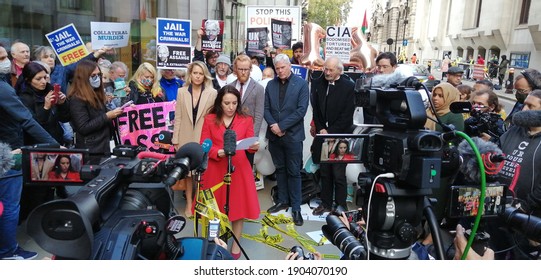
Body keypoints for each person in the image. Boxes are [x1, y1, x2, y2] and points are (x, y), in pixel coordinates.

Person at [198, 85, 260, 259]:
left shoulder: (246, 119)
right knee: (215, 209)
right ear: (220, 103)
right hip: (216, 169)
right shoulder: (210, 119)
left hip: (239, 169)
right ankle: (215, 241)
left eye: (234, 103)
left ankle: (236, 244)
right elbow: (204, 144)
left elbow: (250, 147)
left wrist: (254, 147)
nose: (231, 107)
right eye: (227, 103)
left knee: (238, 208)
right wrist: (217, 152)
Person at [0, 76, 58, 259]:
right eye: (1, 57)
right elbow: (27, 120)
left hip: (8, 152)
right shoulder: (3, 88)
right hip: (8, 156)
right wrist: (55, 146)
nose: (5, 60)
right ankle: (8, 251)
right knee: (9, 206)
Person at [264, 54, 309, 226]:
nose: (280, 71)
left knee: (294, 172)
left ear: (289, 66)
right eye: (278, 68)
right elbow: (266, 109)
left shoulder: (302, 85)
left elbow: (301, 111)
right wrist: (274, 126)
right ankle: (282, 200)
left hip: (293, 136)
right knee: (280, 169)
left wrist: (281, 126)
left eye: (283, 67)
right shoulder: (270, 84)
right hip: (275, 136)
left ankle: (296, 207)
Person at [310, 56, 355, 215]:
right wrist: (322, 129)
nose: (326, 72)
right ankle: (326, 203)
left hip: (340, 135)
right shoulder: (319, 83)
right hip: (324, 136)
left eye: (330, 70)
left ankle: (341, 205)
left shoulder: (349, 86)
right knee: (325, 171)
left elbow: (347, 116)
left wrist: (331, 131)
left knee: (338, 173)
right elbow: (316, 109)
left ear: (339, 71)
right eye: (325, 69)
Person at [499, 89, 541, 259]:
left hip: (528, 218)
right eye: (524, 105)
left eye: (531, 106)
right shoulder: (514, 130)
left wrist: (525, 206)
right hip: (500, 209)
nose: (523, 110)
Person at [172, 61, 217, 218]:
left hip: (203, 137)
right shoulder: (181, 91)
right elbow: (178, 117)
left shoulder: (212, 93)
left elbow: (213, 119)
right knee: (188, 173)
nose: (198, 76)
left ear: (205, 75)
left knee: (202, 172)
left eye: (200, 73)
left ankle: (200, 201)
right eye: (195, 73)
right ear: (190, 74)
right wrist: (175, 139)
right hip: (185, 136)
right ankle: (189, 203)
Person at [69, 60, 124, 162]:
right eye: (93, 75)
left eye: (99, 75)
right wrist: (107, 116)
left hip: (103, 147)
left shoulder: (96, 94)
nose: (97, 78)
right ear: (84, 78)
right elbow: (83, 127)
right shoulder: (77, 99)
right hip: (91, 152)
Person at [228, 54, 265, 163]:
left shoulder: (258, 89)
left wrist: (252, 138)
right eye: (240, 69)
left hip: (248, 136)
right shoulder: (229, 87)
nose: (243, 72)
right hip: (231, 136)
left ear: (250, 69)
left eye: (246, 69)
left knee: (246, 169)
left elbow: (259, 115)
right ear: (235, 69)